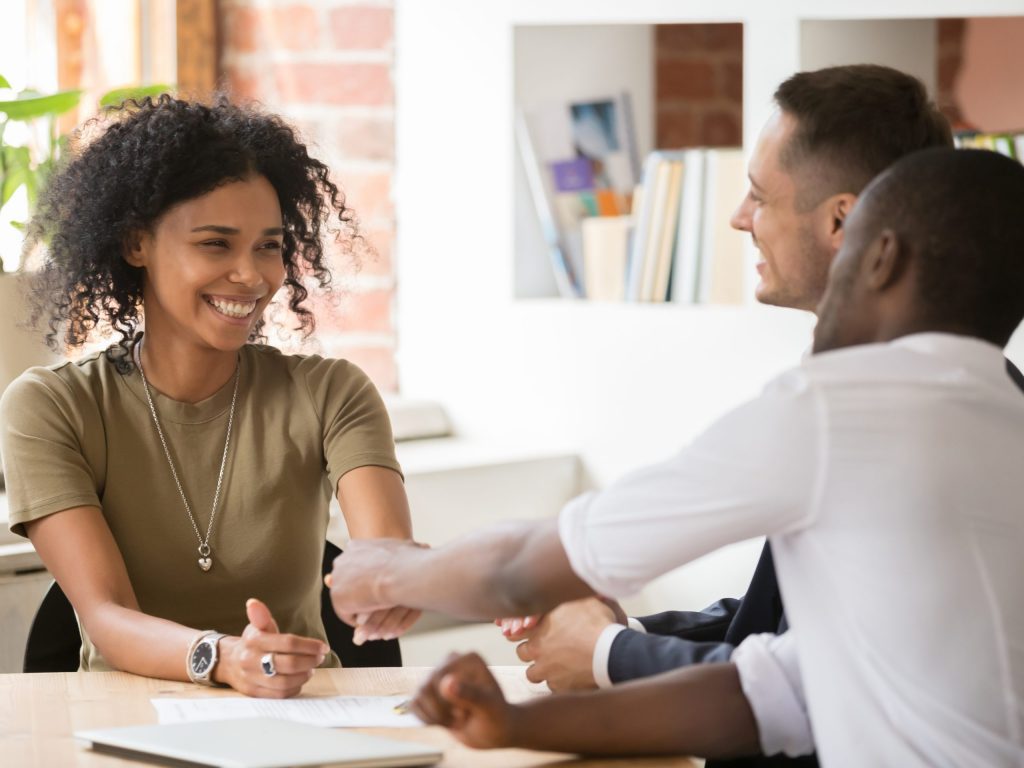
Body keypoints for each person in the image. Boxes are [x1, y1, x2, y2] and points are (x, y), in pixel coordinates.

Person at [328, 147, 1024, 765]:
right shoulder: (1004, 420)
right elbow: (763, 697)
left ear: (880, 258)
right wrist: (516, 723)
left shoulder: (840, 405)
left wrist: (389, 572)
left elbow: (518, 572)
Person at [496, 65, 1016, 749]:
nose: (740, 219)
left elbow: (799, 694)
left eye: (757, 195)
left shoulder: (854, 416)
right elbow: (786, 628)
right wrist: (630, 633)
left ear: (844, 223)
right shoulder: (985, 394)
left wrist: (608, 651)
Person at [0, 96, 418, 698]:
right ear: (136, 243)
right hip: (121, 720)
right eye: (216, 244)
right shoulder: (52, 407)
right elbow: (105, 616)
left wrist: (397, 580)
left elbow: (385, 553)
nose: (251, 276)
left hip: (302, 720)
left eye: (269, 246)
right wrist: (222, 657)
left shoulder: (333, 395)